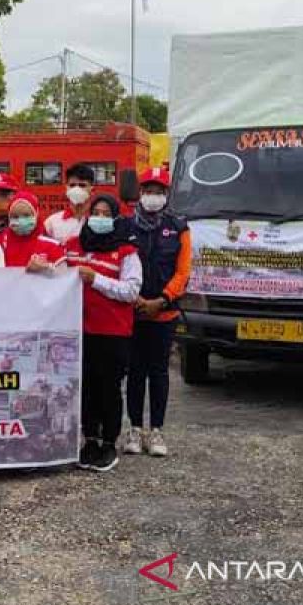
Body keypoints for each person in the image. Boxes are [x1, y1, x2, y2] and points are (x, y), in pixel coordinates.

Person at [64, 193, 142, 472]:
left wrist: (95, 279)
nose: (99, 217)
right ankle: (90, 439)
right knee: (85, 387)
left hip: (113, 332)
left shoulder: (126, 251)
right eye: (95, 212)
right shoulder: (72, 246)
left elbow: (131, 291)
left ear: (116, 218)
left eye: (106, 213)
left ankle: (109, 442)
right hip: (79, 329)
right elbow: (56, 276)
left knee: (108, 388)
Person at [121, 168, 192, 458]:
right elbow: (121, 264)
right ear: (140, 193)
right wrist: (136, 300)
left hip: (164, 313)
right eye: (148, 190)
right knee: (135, 372)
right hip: (134, 312)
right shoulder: (126, 225)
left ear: (167, 194)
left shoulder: (179, 227)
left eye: (159, 191)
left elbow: (183, 271)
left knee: (159, 372)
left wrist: (162, 300)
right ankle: (135, 429)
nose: (153, 196)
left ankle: (157, 430)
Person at [1, 190, 65, 272]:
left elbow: (66, 275)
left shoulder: (52, 245)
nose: (21, 220)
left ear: (36, 215)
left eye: (26, 215)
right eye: (15, 216)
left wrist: (47, 267)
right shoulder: (2, 244)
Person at [45, 164, 95, 243]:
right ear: (66, 188)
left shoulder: (98, 221)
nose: (77, 189)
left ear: (92, 190)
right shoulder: (51, 222)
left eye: (82, 185)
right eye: (72, 185)